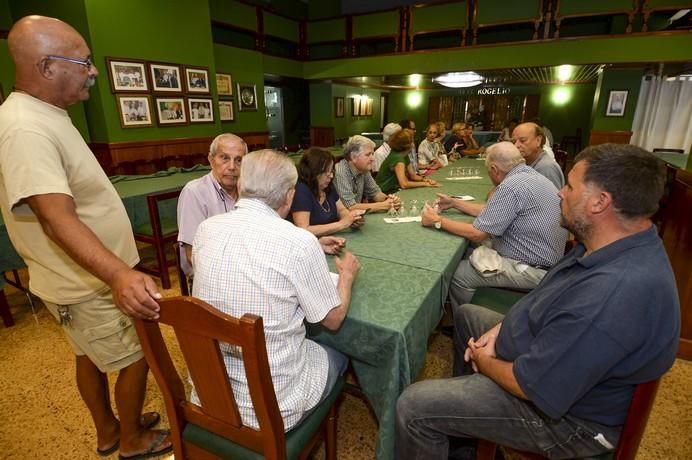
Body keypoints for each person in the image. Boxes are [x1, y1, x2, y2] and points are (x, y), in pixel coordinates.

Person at [396, 143, 680, 459]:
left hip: (572, 422)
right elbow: (543, 297)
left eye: (570, 186)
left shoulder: (613, 295)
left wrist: (485, 361)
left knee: (414, 406)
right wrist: (500, 330)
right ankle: (465, 437)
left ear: (600, 202)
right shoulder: (607, 245)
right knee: (467, 314)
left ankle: (450, 417)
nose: (560, 193)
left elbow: (529, 385)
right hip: (544, 350)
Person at [0, 15, 172, 458]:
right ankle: (131, 439)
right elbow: (56, 218)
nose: (93, 71)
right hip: (85, 282)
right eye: (84, 62)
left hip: (75, 278)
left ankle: (110, 429)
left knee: (88, 356)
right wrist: (118, 275)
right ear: (47, 68)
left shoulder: (45, 113)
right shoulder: (25, 127)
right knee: (135, 356)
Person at [191, 149, 361, 431]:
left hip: (208, 393)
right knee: (340, 350)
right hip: (274, 409)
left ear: (242, 185)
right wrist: (346, 276)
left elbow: (245, 255)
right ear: (289, 195)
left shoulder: (206, 229)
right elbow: (334, 319)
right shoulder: (298, 242)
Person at [421, 142, 567, 306]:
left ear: (495, 169)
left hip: (534, 269)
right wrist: (455, 203)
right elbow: (493, 211)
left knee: (459, 275)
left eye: (489, 170)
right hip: (549, 260)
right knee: (470, 249)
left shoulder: (510, 186)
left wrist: (437, 221)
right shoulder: (529, 175)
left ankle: (468, 320)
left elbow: (477, 233)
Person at [177, 133, 247, 276]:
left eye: (239, 160)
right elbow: (192, 255)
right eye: (225, 158)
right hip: (209, 275)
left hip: (243, 268)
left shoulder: (248, 190)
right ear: (211, 159)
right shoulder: (195, 192)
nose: (232, 166)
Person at [291, 147, 365, 236]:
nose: (331, 176)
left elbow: (341, 210)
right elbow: (303, 229)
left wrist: (351, 219)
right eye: (327, 172)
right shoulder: (301, 191)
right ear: (315, 172)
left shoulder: (327, 186)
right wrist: (342, 224)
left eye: (332, 171)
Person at [333, 135, 401, 212]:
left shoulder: (363, 170)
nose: (372, 158)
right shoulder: (340, 172)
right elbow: (350, 207)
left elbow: (376, 193)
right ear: (353, 157)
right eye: (368, 155)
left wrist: (390, 200)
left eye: (372, 154)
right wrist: (383, 205)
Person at [376, 129, 439, 194]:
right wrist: (425, 184)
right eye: (412, 141)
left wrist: (426, 180)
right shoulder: (398, 159)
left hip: (394, 190)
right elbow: (404, 184)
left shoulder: (404, 155)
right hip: (384, 193)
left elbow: (413, 175)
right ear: (408, 145)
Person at [512, 121, 564, 189]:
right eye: (513, 142)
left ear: (538, 140)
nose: (516, 145)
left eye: (522, 140)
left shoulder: (546, 168)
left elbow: (553, 199)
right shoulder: (526, 162)